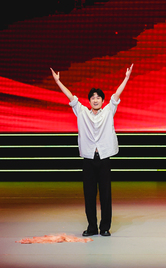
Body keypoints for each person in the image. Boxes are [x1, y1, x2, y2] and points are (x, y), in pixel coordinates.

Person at [51, 64, 133, 237]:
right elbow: (71, 97)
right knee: (89, 195)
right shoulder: (82, 112)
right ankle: (92, 227)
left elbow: (116, 95)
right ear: (89, 101)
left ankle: (105, 227)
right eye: (93, 98)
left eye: (98, 98)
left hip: (103, 158)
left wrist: (126, 78)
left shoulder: (109, 111)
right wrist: (58, 82)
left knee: (105, 195)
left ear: (103, 101)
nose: (95, 100)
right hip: (88, 159)